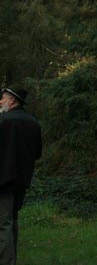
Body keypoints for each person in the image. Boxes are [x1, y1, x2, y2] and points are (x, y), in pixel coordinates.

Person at [0, 85, 42, 265]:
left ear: (13, 100)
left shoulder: (3, 120)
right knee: (12, 220)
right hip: (23, 180)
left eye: (3, 98)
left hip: (2, 179)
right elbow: (38, 153)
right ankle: (11, 259)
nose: (0, 101)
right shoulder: (34, 122)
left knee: (3, 223)